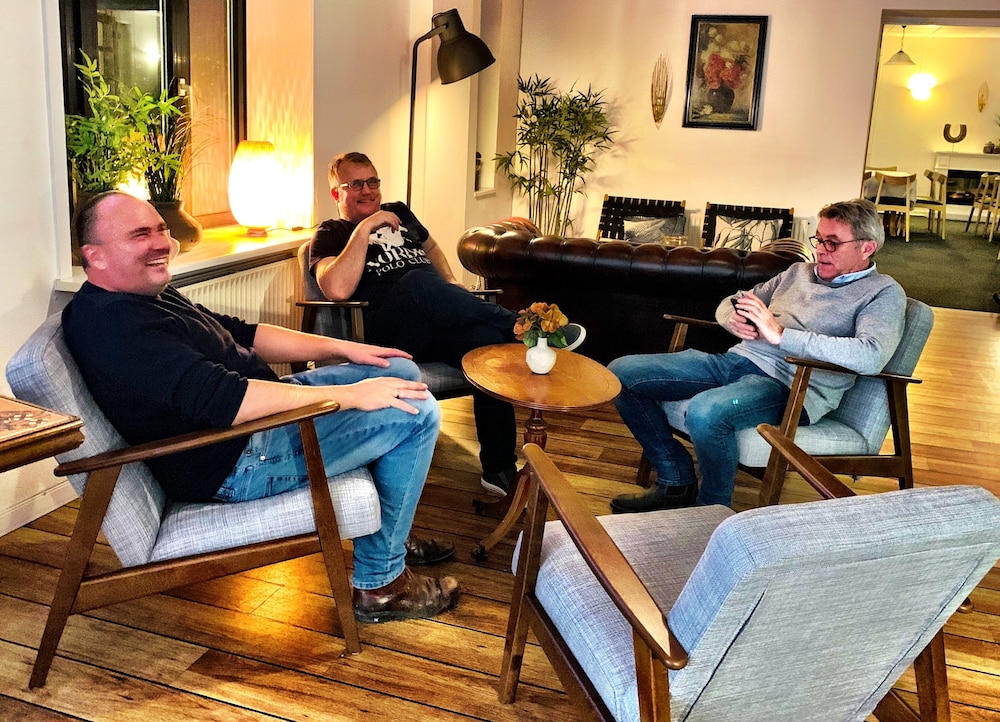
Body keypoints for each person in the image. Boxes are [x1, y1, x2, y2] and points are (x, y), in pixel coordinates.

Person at [62, 190, 459, 624]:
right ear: (95, 255)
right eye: (140, 235)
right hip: (238, 458)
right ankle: (381, 584)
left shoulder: (146, 293)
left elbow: (242, 333)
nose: (162, 243)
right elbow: (228, 400)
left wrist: (345, 348)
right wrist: (352, 395)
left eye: (161, 229)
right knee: (417, 413)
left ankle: (389, 536)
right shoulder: (115, 328)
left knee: (399, 371)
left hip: (259, 418)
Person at [309, 152, 582, 496]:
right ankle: (523, 326)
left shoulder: (400, 211)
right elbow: (335, 289)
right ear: (337, 192)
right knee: (416, 281)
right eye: (356, 184)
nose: (368, 190)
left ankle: (498, 468)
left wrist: (450, 281)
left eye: (373, 181)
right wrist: (364, 229)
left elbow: (431, 246)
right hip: (388, 335)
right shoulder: (330, 233)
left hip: (434, 322)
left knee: (485, 346)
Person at [608, 198, 906, 512]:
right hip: (734, 361)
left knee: (705, 411)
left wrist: (782, 335)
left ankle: (711, 509)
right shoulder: (797, 272)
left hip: (789, 386)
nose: (820, 250)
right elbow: (736, 300)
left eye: (832, 243)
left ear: (867, 247)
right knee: (620, 373)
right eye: (818, 239)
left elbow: (872, 355)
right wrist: (731, 319)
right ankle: (675, 478)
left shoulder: (883, 292)